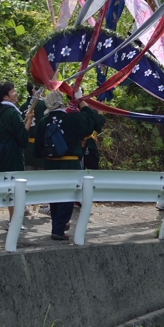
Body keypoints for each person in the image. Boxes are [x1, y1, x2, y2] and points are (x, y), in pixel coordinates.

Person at [35, 90, 102, 241]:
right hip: (70, 163)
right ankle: (58, 229)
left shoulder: (43, 122)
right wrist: (80, 99)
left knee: (54, 195)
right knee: (68, 196)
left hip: (50, 164)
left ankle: (58, 224)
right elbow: (93, 119)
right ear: (61, 102)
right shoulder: (72, 119)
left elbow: (38, 149)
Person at [0, 81, 35, 232]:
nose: (16, 93)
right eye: (13, 91)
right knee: (14, 189)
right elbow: (22, 138)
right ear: (5, 96)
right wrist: (29, 120)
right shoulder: (12, 113)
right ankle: (13, 222)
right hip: (11, 157)